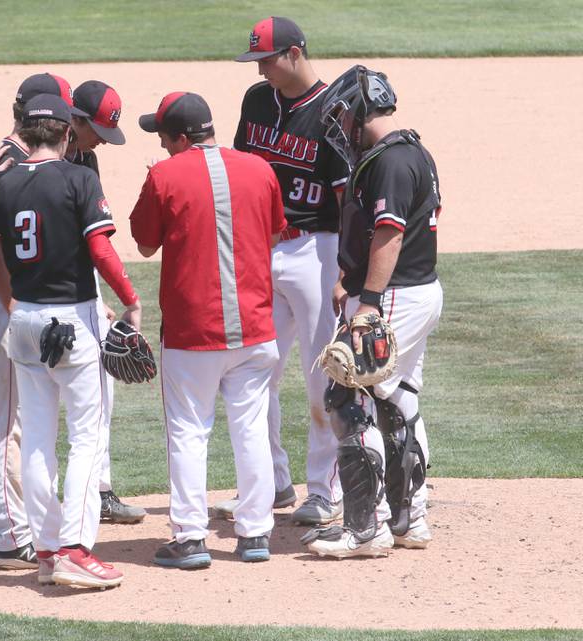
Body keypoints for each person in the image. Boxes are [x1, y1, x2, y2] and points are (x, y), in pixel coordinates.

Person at [0, 93, 142, 589]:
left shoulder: (2, 184)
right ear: (67, 132)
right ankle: (74, 548)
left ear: (24, 133)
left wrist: (13, 306)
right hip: (72, 322)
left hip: (24, 323)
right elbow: (100, 247)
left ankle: (47, 546)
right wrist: (132, 299)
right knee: (88, 436)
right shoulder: (79, 178)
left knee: (38, 441)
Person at [130, 92, 287, 568]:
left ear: (180, 137)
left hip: (191, 333)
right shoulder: (260, 169)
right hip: (257, 327)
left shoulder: (165, 174)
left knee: (188, 431)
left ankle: (192, 537)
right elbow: (276, 233)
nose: (161, 144)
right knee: (251, 429)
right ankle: (256, 534)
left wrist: (156, 184)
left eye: (163, 136)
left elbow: (143, 241)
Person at [305, 65, 442, 558]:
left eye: (342, 117)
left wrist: (366, 304)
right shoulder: (410, 153)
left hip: (395, 294)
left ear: (361, 110)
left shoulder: (389, 162)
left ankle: (366, 529)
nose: (341, 128)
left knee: (347, 395)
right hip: (416, 290)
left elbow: (389, 233)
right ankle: (409, 519)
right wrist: (351, 279)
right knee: (398, 396)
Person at [218, 16, 350, 526]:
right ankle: (270, 483)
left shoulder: (333, 112)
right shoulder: (257, 102)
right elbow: (243, 170)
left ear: (295, 53)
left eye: (266, 60)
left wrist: (345, 269)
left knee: (323, 378)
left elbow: (345, 199)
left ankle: (324, 490)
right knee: (255, 372)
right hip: (261, 250)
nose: (260, 70)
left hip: (317, 250)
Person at [0, 72, 85, 569]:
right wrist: (13, 304)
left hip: (20, 304)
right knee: (10, 419)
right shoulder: (6, 161)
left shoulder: (16, 159)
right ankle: (7, 530)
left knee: (19, 419)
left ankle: (15, 525)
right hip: (7, 301)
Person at [68, 79, 147, 525]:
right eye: (96, 129)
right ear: (72, 118)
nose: (100, 139)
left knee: (103, 392)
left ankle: (101, 490)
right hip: (36, 291)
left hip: (80, 286)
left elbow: (92, 238)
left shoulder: (87, 158)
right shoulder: (37, 156)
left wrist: (96, 295)